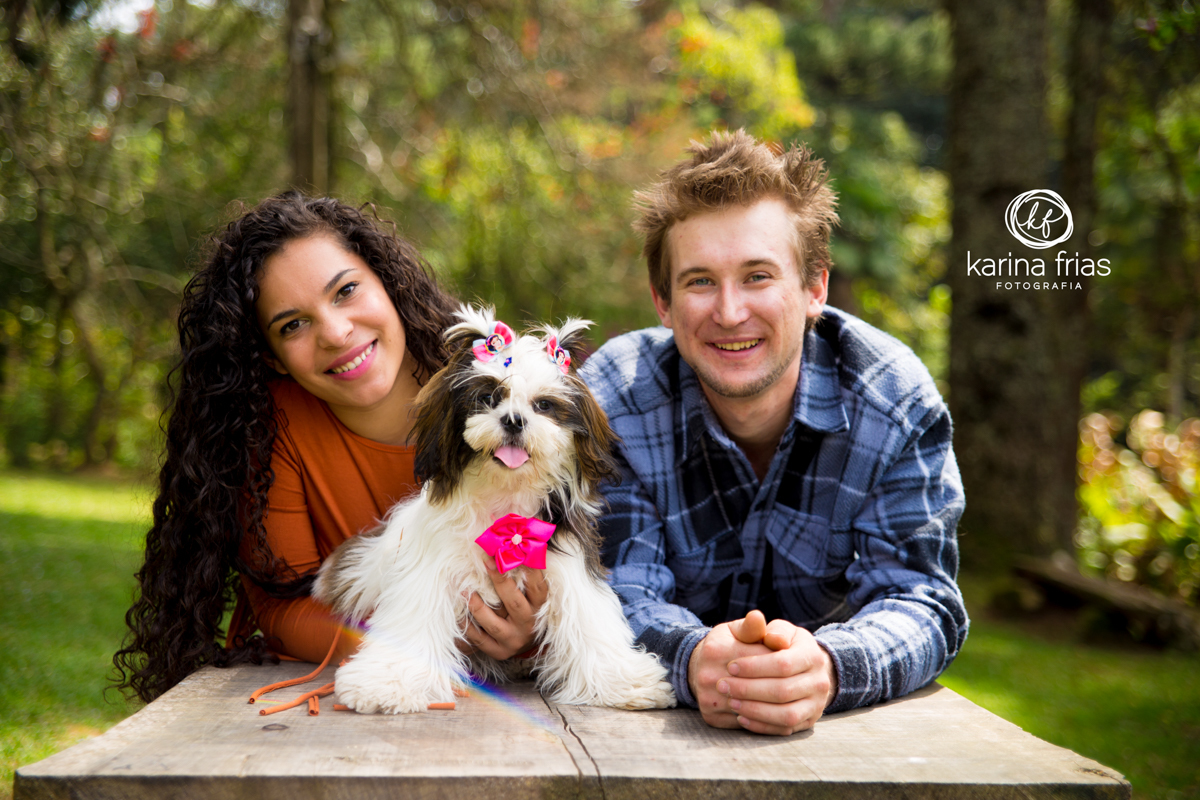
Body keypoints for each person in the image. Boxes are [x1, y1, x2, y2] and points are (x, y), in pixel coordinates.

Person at [580, 130, 968, 736]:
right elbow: (612, 589)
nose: (730, 312)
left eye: (758, 276)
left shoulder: (893, 402)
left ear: (815, 287)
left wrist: (831, 668)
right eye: (700, 281)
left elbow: (922, 597)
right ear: (663, 302)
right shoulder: (614, 399)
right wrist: (691, 660)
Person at [113, 193, 544, 704]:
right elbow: (283, 609)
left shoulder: (513, 391)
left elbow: (569, 566)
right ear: (271, 358)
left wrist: (528, 636)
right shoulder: (271, 431)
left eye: (346, 291)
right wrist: (415, 641)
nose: (336, 333)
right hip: (361, 689)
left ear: (390, 282)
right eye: (292, 325)